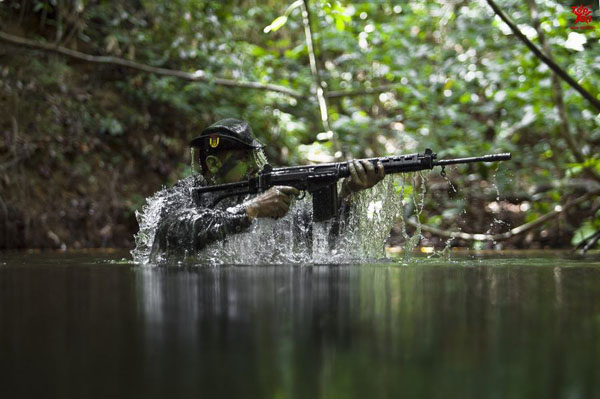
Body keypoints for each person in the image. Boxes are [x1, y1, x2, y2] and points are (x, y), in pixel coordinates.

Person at [142, 118, 384, 258]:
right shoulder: (184, 193)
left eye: (254, 158)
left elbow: (314, 236)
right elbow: (173, 231)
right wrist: (251, 209)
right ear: (214, 164)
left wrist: (347, 194)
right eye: (244, 159)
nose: (255, 167)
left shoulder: (258, 193)